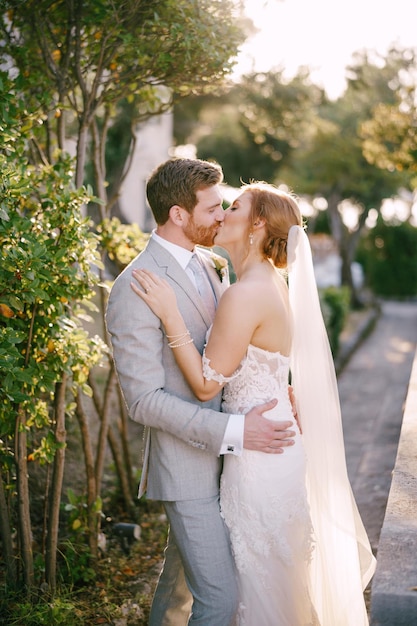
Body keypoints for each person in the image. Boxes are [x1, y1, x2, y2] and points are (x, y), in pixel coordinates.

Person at [131, 181, 377, 625]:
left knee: (254, 583)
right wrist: (280, 388)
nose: (223, 212)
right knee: (270, 580)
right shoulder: (266, 282)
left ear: (257, 224)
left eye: (235, 206)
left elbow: (208, 386)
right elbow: (266, 361)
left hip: (259, 453)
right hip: (272, 437)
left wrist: (171, 315)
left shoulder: (247, 292)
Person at [105, 158, 298, 626]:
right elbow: (144, 400)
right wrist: (235, 430)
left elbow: (241, 347)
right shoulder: (135, 286)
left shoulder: (214, 265)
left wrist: (276, 385)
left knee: (177, 596)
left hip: (236, 469)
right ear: (178, 214)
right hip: (188, 467)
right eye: (213, 208)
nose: (221, 216)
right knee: (220, 600)